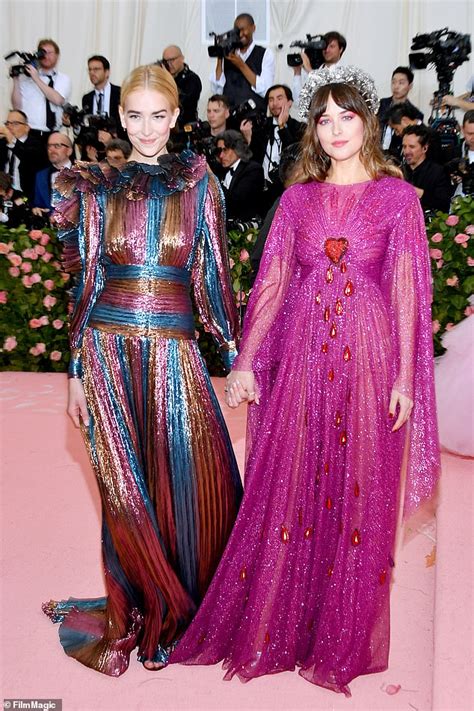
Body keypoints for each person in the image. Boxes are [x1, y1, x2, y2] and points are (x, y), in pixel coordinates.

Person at [171, 66, 440, 695]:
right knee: (289, 479)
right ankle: (282, 623)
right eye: (324, 118)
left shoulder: (399, 198)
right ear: (312, 130)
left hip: (370, 357)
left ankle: (338, 633)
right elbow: (270, 285)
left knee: (358, 488)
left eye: (348, 116)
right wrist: (244, 361)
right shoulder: (295, 200)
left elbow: (406, 292)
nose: (336, 128)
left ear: (367, 122)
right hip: (299, 356)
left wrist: (404, 376)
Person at [42, 64, 243, 676]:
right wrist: (76, 370)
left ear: (176, 117)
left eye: (159, 116)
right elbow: (87, 282)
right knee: (124, 486)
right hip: (107, 347)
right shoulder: (96, 187)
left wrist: (234, 355)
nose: (147, 128)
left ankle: (192, 604)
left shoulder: (199, 184)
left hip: (174, 350)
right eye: (135, 116)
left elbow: (212, 276)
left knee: (191, 474)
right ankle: (145, 603)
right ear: (121, 117)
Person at [240, 84, 305, 212]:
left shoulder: (299, 128)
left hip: (285, 190)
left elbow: (295, 158)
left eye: (279, 98)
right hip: (259, 190)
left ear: (290, 102)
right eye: (271, 99)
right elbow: (253, 158)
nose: (275, 103)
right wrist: (248, 139)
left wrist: (282, 127)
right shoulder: (260, 126)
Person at [210, 13, 275, 112]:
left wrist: (241, 65)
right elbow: (217, 90)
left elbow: (266, 90)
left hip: (254, 120)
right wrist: (220, 56)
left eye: (243, 29)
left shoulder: (265, 54)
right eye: (237, 31)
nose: (240, 34)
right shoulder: (229, 54)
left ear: (253, 28)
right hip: (230, 119)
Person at [11, 38, 71, 137]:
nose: (46, 56)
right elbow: (16, 107)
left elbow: (58, 100)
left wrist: (36, 78)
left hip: (54, 135)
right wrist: (16, 80)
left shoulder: (63, 79)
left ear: (57, 55)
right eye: (43, 52)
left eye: (50, 53)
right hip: (29, 133)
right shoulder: (25, 79)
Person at [402, 125, 453, 213]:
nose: (406, 151)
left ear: (425, 148)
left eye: (412, 147)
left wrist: (419, 193)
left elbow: (444, 204)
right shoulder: (399, 172)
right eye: (404, 146)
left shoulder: (438, 172)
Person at [216, 129, 264, 223]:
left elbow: (236, 202)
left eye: (225, 150)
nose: (221, 155)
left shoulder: (253, 170)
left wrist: (214, 180)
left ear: (237, 148)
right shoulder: (220, 170)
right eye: (219, 151)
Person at [0, 109, 48, 202]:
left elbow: (28, 158)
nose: (9, 127)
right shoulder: (3, 143)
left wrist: (12, 140)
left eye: (15, 123)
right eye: (7, 123)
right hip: (4, 194)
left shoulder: (36, 145)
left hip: (27, 198)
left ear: (27, 127)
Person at [377, 67, 423, 156]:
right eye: (393, 82)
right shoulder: (380, 104)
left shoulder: (415, 114)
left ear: (410, 86)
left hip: (397, 158)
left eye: (401, 83)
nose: (396, 86)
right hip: (376, 153)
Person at [292, 31, 347, 104]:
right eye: (325, 46)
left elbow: (329, 95)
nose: (327, 50)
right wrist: (297, 72)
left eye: (332, 46)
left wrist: (309, 70)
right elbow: (298, 101)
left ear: (341, 49)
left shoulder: (344, 72)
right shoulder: (315, 71)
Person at [32, 131, 73, 218]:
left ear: (69, 151)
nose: (52, 150)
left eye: (57, 146)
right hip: (47, 229)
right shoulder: (40, 176)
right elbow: (38, 204)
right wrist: (37, 209)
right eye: (49, 146)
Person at [162, 45, 202, 125]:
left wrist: (168, 80)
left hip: (184, 128)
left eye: (172, 60)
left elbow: (182, 105)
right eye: (166, 61)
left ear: (182, 58)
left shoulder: (192, 79)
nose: (169, 64)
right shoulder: (163, 79)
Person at [81, 55, 122, 133]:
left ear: (107, 72)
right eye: (90, 70)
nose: (92, 73)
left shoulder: (120, 93)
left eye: (96, 69)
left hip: (116, 142)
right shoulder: (87, 98)